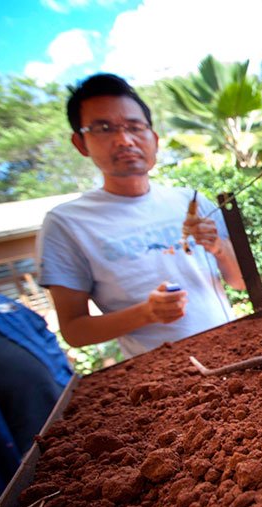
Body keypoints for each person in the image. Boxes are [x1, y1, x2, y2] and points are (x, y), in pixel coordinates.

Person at [38, 73, 246, 359]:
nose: (124, 140)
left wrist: (218, 248)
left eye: (135, 127)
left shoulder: (188, 200)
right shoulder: (67, 224)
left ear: (154, 138)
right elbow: (74, 331)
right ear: (81, 143)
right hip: (160, 376)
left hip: (237, 348)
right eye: (104, 128)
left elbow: (240, 281)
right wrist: (146, 313)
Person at [0, 292, 73, 500]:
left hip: (69, 410)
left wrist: (64, 373)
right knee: (49, 499)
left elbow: (44, 333)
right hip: (16, 445)